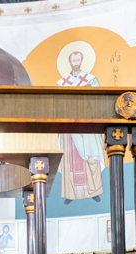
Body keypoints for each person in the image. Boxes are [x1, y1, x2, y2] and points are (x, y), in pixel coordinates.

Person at [56, 49, 105, 203]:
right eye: (73, 61)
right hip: (70, 127)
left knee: (91, 158)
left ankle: (94, 191)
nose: (76, 63)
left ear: (81, 61)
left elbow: (98, 100)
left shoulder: (91, 80)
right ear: (70, 62)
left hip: (88, 124)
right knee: (70, 160)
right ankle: (72, 194)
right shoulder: (62, 83)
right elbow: (57, 104)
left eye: (78, 60)